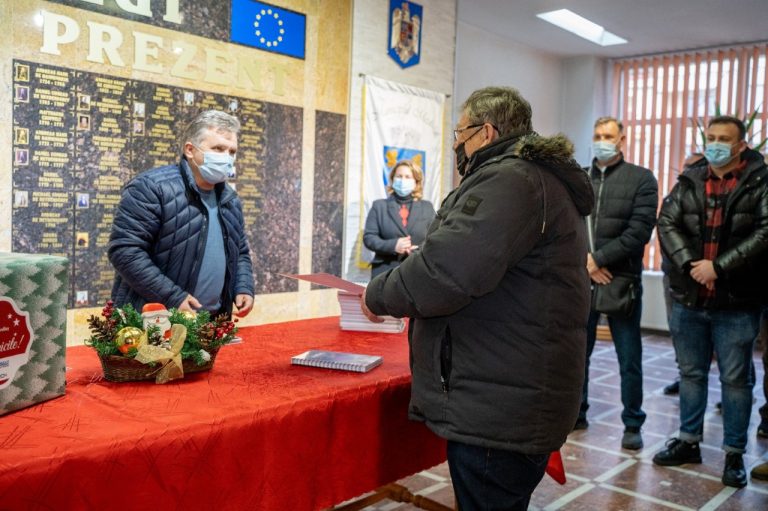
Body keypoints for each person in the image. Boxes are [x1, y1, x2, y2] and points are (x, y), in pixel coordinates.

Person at [361, 86, 594, 510]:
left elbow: (444, 271)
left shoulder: (510, 180)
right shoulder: (533, 178)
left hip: (500, 399)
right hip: (511, 384)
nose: (454, 143)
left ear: (485, 132)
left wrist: (377, 295)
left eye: (458, 132)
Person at [653, 115, 768, 488]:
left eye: (724, 139)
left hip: (737, 301)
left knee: (736, 380)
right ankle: (688, 441)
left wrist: (718, 267)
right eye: (711, 137)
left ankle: (734, 452)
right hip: (690, 297)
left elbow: (766, 231)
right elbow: (666, 222)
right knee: (691, 374)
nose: (714, 143)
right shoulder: (691, 178)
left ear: (741, 146)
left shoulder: (760, 180)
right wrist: (691, 264)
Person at [109, 109, 255, 318]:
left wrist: (243, 286)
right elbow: (125, 251)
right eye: (218, 148)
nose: (227, 158)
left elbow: (239, 251)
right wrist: (173, 297)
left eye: (232, 151)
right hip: (150, 322)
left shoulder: (229, 199)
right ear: (190, 149)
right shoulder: (152, 187)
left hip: (209, 323)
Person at [577, 117, 658, 451]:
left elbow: (640, 231)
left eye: (608, 136)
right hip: (582, 278)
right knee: (578, 354)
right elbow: (565, 223)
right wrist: (585, 261)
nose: (601, 141)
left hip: (621, 280)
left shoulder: (641, 179)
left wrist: (599, 259)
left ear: (622, 139)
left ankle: (632, 422)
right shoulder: (578, 177)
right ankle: (576, 413)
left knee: (630, 358)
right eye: (597, 135)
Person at [363, 160, 435, 278]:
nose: (403, 180)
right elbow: (369, 238)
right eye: (399, 176)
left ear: (416, 182)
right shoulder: (379, 206)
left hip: (417, 271)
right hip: (384, 271)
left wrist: (418, 250)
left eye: (408, 177)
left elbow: (435, 237)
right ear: (392, 179)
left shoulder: (427, 207)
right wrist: (393, 245)